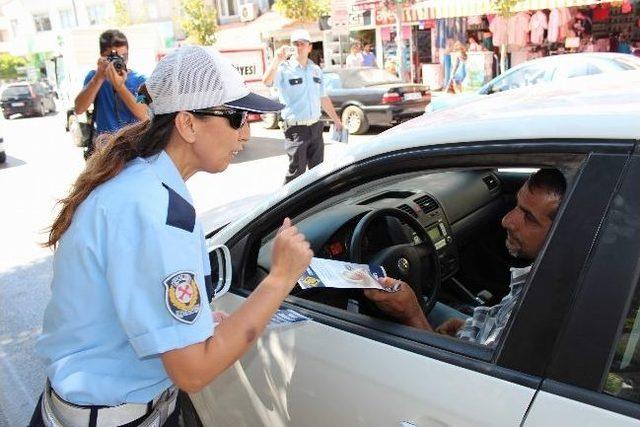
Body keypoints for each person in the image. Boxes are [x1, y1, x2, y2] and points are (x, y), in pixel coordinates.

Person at [29, 46, 313, 427]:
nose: (246, 131)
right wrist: (281, 278)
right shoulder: (155, 210)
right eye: (236, 117)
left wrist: (194, 325)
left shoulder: (140, 183)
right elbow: (193, 372)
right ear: (187, 123)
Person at [364, 169, 566, 347]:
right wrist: (468, 326)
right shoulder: (543, 274)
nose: (507, 221)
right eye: (516, 206)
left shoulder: (540, 307)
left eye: (529, 217)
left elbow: (459, 382)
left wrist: (412, 314)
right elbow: (503, 318)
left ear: (561, 233)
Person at [262, 29, 343, 184]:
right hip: (296, 130)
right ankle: (287, 206)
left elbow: (323, 97)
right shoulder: (284, 69)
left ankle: (315, 206)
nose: (299, 47)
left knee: (317, 173)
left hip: (316, 127)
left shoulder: (315, 70)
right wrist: (276, 60)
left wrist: (337, 120)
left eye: (302, 44)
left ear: (309, 47)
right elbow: (266, 81)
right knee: (296, 173)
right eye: (296, 44)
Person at [74, 29, 148, 157]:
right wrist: (98, 78)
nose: (120, 61)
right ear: (103, 56)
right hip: (106, 151)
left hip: (135, 149)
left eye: (124, 56)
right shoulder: (94, 78)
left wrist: (120, 87)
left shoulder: (140, 80)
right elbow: (79, 109)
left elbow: (145, 114)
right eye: (114, 57)